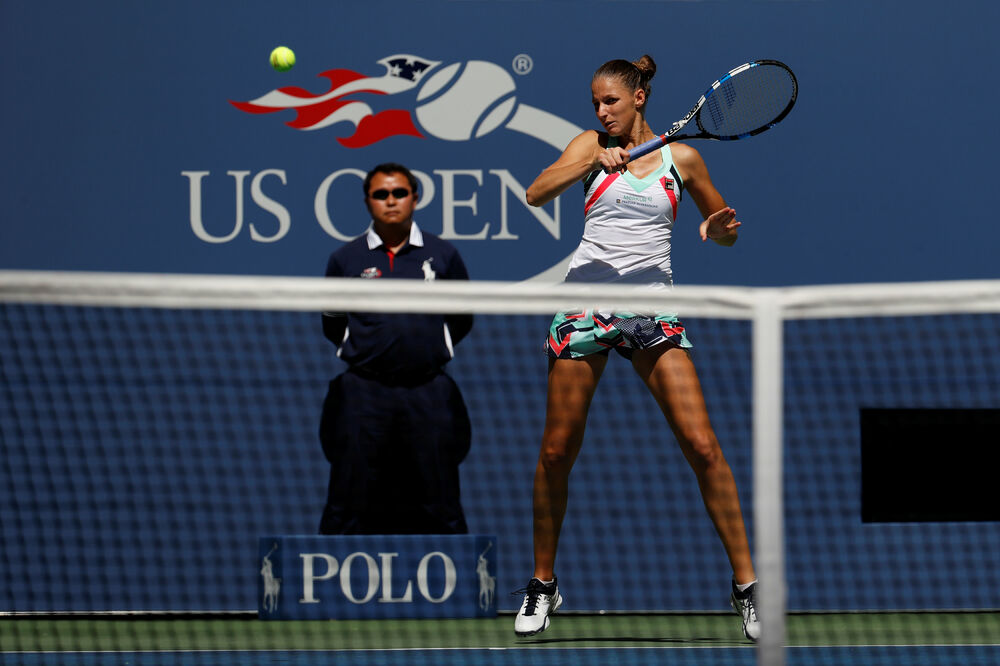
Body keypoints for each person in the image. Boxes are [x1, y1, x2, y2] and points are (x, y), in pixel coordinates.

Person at [513, 56, 760, 642]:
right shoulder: (588, 145)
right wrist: (588, 161)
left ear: (640, 97)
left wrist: (722, 228)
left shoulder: (684, 157)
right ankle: (543, 585)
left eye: (611, 102)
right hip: (585, 307)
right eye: (596, 103)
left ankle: (749, 588)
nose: (602, 112)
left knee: (702, 445)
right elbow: (534, 192)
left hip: (652, 307)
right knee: (555, 452)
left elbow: (725, 228)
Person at [318, 162, 474, 535]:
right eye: (381, 194)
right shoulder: (346, 259)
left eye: (399, 193)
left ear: (415, 198)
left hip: (428, 391)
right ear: (368, 202)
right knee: (348, 496)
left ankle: (456, 589)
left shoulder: (443, 255)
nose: (391, 201)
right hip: (363, 392)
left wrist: (437, 347)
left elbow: (462, 317)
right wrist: (361, 351)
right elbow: (333, 323)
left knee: (440, 497)